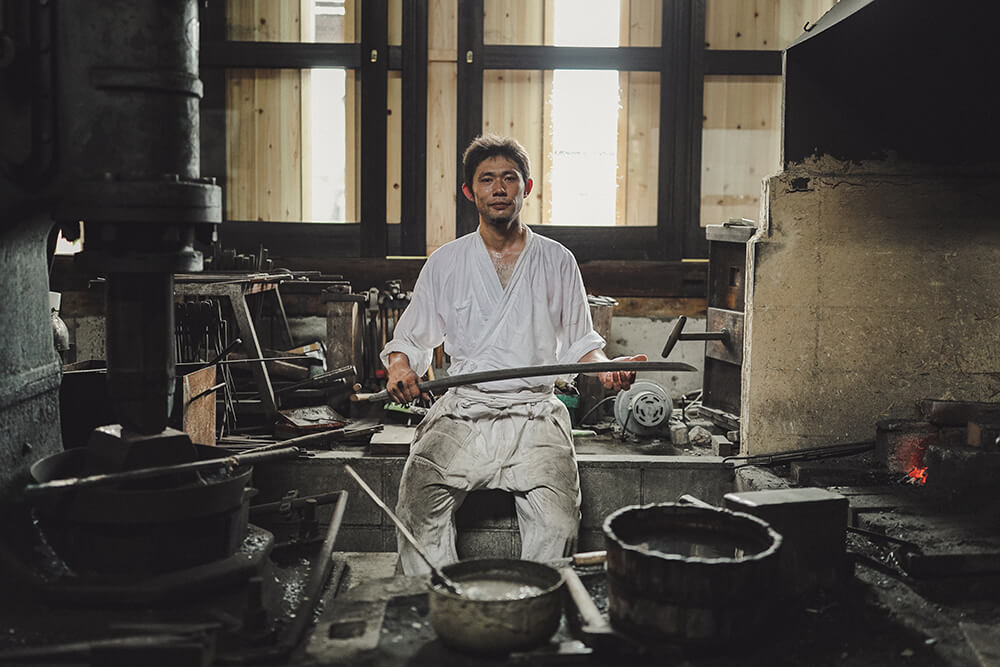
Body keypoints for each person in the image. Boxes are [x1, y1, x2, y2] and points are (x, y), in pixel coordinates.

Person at [380, 134, 646, 575]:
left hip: (534, 414)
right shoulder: (446, 262)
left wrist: (607, 370)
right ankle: (440, 603)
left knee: (558, 523)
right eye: (487, 180)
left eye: (509, 178)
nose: (499, 188)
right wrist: (401, 366)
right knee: (417, 511)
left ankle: (532, 606)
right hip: (465, 412)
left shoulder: (557, 260)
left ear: (528, 187)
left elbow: (583, 345)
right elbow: (411, 340)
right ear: (470, 191)